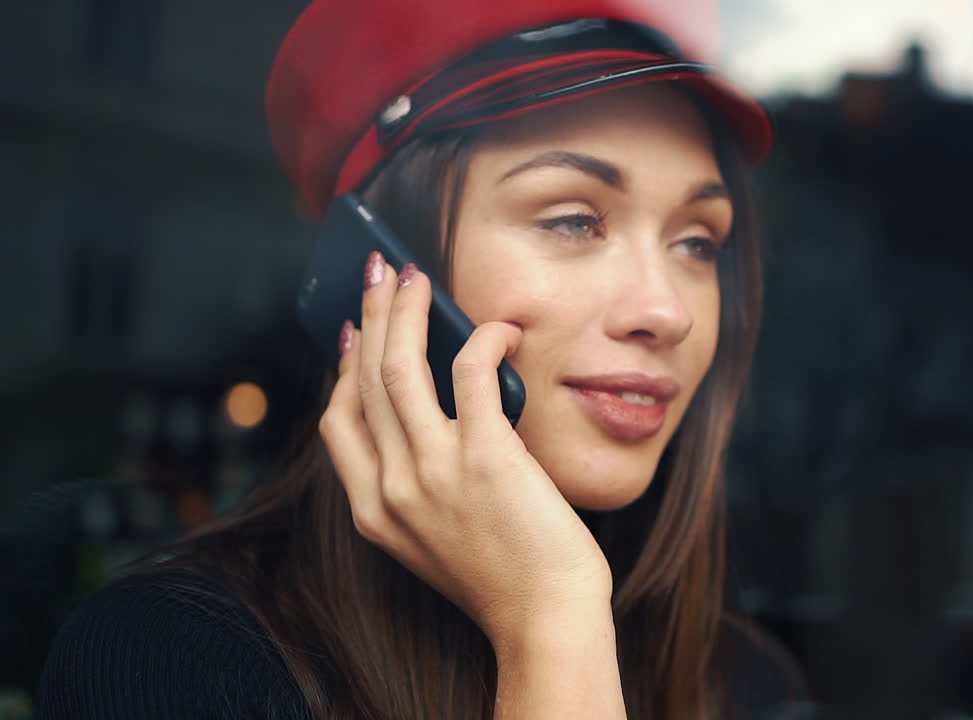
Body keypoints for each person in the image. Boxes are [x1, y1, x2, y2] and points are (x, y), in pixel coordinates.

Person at [37, 0, 806, 718]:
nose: (666, 311)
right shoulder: (171, 661)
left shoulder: (745, 683)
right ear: (379, 266)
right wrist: (549, 621)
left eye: (697, 242)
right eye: (574, 221)